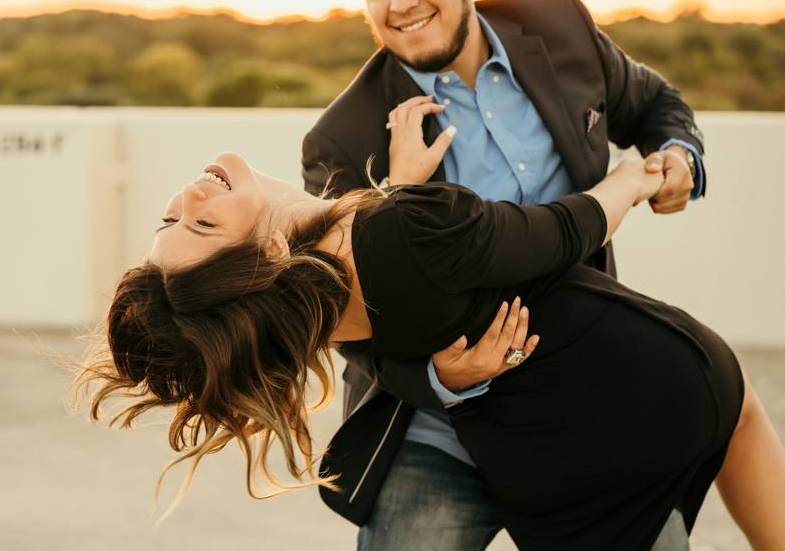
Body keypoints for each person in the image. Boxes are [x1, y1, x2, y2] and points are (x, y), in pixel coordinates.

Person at [77, 150, 785, 550]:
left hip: (578, 440)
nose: (189, 192)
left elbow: (393, 333)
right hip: (650, 385)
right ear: (264, 254)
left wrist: (435, 373)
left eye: (173, 217)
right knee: (738, 411)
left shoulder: (313, 310)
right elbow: (563, 230)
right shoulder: (404, 232)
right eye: (199, 222)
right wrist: (631, 180)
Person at [300, 0, 706, 547]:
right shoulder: (341, 140)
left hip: (588, 405)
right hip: (440, 431)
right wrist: (440, 377)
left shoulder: (562, 26)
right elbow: (344, 316)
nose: (399, 3)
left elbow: (657, 105)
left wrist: (679, 157)